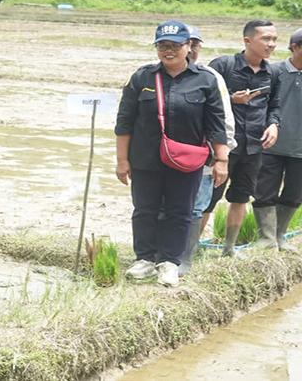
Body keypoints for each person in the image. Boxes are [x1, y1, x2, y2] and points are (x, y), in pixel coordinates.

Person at [115, 21, 228, 287]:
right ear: (157, 49)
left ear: (189, 46)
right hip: (145, 159)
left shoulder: (205, 80)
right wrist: (122, 160)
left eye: (176, 45)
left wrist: (222, 160)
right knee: (145, 210)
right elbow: (124, 121)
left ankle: (169, 263)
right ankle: (144, 259)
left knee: (181, 212)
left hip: (187, 162)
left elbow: (216, 125)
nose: (169, 51)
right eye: (163, 46)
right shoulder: (142, 77)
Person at [206, 20, 281, 256]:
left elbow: (275, 105)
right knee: (208, 199)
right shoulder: (223, 65)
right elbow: (203, 99)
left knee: (240, 197)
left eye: (274, 39)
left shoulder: (273, 73)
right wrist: (230, 98)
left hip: (254, 147)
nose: (271, 44)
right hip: (223, 146)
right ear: (247, 40)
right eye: (266, 39)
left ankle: (228, 248)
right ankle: (188, 251)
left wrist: (274, 124)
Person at [178, 27, 238, 276]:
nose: (191, 48)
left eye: (195, 44)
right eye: (186, 43)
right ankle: (159, 255)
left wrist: (221, 157)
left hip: (202, 156)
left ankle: (185, 259)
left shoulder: (211, 76)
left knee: (196, 207)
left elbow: (224, 120)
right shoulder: (154, 73)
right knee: (163, 206)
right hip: (164, 156)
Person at [251, 28, 302, 252]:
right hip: (270, 145)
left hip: (300, 149)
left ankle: (280, 236)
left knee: (295, 193)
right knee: (264, 191)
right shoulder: (273, 71)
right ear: (295, 47)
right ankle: (266, 238)